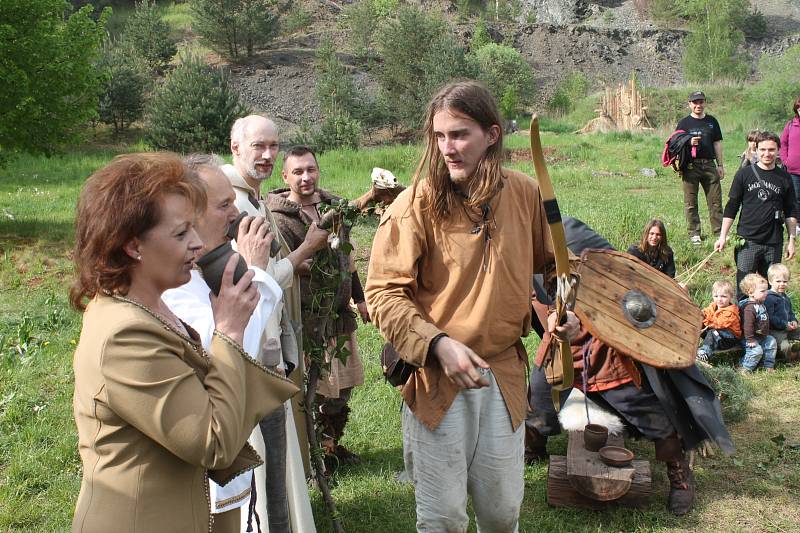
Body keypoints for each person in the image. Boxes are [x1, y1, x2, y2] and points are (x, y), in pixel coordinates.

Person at [365, 80, 578, 531]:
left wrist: (564, 312)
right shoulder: (416, 204)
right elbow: (383, 293)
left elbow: (556, 267)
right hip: (437, 378)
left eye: (459, 134)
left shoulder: (523, 194)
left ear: (492, 135)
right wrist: (438, 344)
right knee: (442, 519)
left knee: (502, 515)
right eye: (439, 136)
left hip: (502, 374)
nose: (447, 148)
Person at [70, 153, 298, 533]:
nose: (196, 244)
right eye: (180, 234)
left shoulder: (149, 304)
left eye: (194, 228)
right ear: (131, 246)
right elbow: (213, 442)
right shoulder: (125, 335)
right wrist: (229, 331)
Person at [526, 217, 734, 516]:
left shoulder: (574, 238)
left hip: (599, 348)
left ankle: (679, 472)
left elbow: (622, 286)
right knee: (539, 403)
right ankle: (532, 448)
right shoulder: (519, 249)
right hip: (558, 349)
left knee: (645, 412)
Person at [161, 154, 317, 531]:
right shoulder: (174, 288)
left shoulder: (207, 265)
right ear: (189, 215)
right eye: (224, 204)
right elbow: (230, 348)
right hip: (213, 436)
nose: (236, 212)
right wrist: (258, 270)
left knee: (271, 501)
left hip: (247, 408)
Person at [222, 115, 329, 532]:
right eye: (257, 147)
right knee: (262, 455)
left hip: (271, 344)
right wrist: (305, 250)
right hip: (251, 347)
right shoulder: (232, 204)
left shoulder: (252, 195)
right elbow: (253, 280)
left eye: (273, 146)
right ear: (235, 148)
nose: (267, 155)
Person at [268, 146, 367, 467]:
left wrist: (361, 297)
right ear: (285, 176)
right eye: (297, 172)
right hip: (307, 317)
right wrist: (307, 263)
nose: (306, 177)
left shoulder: (334, 208)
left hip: (339, 315)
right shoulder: (278, 219)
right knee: (315, 387)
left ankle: (330, 446)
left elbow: (348, 259)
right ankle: (311, 454)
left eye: (311, 169)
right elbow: (281, 266)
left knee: (344, 384)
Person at [714, 131, 798, 300]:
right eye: (763, 149)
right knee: (745, 287)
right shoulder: (744, 175)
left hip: (773, 241)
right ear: (756, 150)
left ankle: (770, 323)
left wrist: (791, 240)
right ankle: (744, 323)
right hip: (748, 240)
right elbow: (732, 207)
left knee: (772, 289)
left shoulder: (785, 177)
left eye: (771, 150)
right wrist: (722, 236)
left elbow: (790, 211)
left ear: (778, 150)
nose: (767, 154)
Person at [676, 91, 724, 244]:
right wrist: (688, 142)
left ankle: (719, 232)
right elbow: (675, 143)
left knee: (716, 201)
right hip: (691, 166)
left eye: (701, 101)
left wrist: (720, 165)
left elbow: (717, 143)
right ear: (689, 104)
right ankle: (694, 233)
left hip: (709, 165)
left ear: (705, 102)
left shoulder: (712, 121)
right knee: (691, 202)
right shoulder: (684, 123)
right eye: (695, 102)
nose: (698, 105)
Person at [739, 273, 777, 373]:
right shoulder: (749, 308)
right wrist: (750, 339)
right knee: (756, 351)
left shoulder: (760, 304)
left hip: (762, 336)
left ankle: (768, 365)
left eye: (766, 290)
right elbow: (747, 326)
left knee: (771, 342)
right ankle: (745, 367)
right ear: (751, 292)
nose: (766, 293)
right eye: (762, 291)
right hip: (750, 338)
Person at [696, 280, 742, 362]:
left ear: (731, 297)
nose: (719, 299)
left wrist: (706, 321)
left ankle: (705, 353)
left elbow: (718, 324)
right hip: (718, 335)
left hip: (729, 339)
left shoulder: (731, 312)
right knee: (699, 324)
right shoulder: (713, 306)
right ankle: (689, 343)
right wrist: (700, 315)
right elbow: (706, 312)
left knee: (712, 332)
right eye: (716, 296)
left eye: (723, 296)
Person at [764, 263, 800, 361]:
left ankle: (794, 352)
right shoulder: (769, 298)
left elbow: (791, 312)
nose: (782, 284)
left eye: (785, 281)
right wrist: (784, 325)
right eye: (778, 281)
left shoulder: (785, 297)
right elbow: (770, 317)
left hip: (788, 327)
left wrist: (794, 320)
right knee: (785, 346)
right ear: (770, 281)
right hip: (774, 331)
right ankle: (791, 357)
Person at [779, 96, 800, 232]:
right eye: (799, 107)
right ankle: (797, 223)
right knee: (796, 197)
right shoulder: (791, 125)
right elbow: (783, 144)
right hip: (793, 169)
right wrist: (785, 160)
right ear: (796, 109)